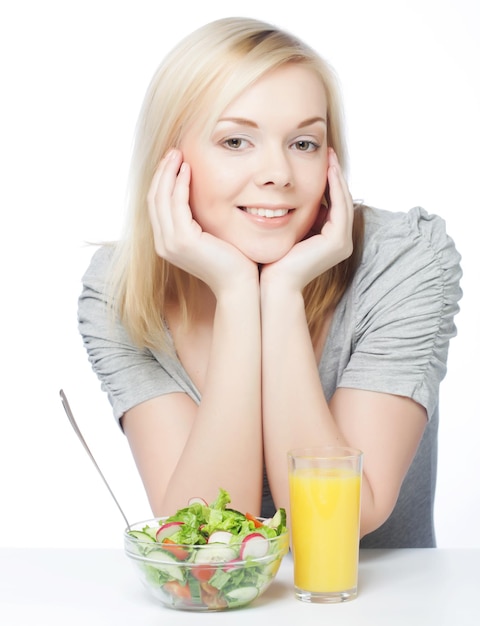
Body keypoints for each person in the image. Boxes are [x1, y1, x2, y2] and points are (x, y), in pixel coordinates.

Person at [78, 17, 462, 548]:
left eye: (304, 143)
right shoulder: (122, 291)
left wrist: (281, 295)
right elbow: (210, 536)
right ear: (169, 160)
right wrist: (238, 295)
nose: (279, 172)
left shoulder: (401, 261)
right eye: (236, 140)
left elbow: (336, 522)